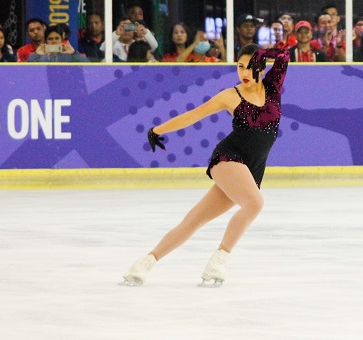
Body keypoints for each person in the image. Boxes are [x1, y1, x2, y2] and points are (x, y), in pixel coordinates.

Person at [122, 45, 290, 287]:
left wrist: (262, 54)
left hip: (253, 168)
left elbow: (283, 55)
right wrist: (157, 130)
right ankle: (219, 261)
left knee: (193, 221)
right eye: (240, 66)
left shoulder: (273, 87)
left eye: (251, 67)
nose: (244, 72)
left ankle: (144, 263)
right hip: (229, 159)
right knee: (255, 203)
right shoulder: (230, 95)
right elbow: (195, 114)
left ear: (262, 68)